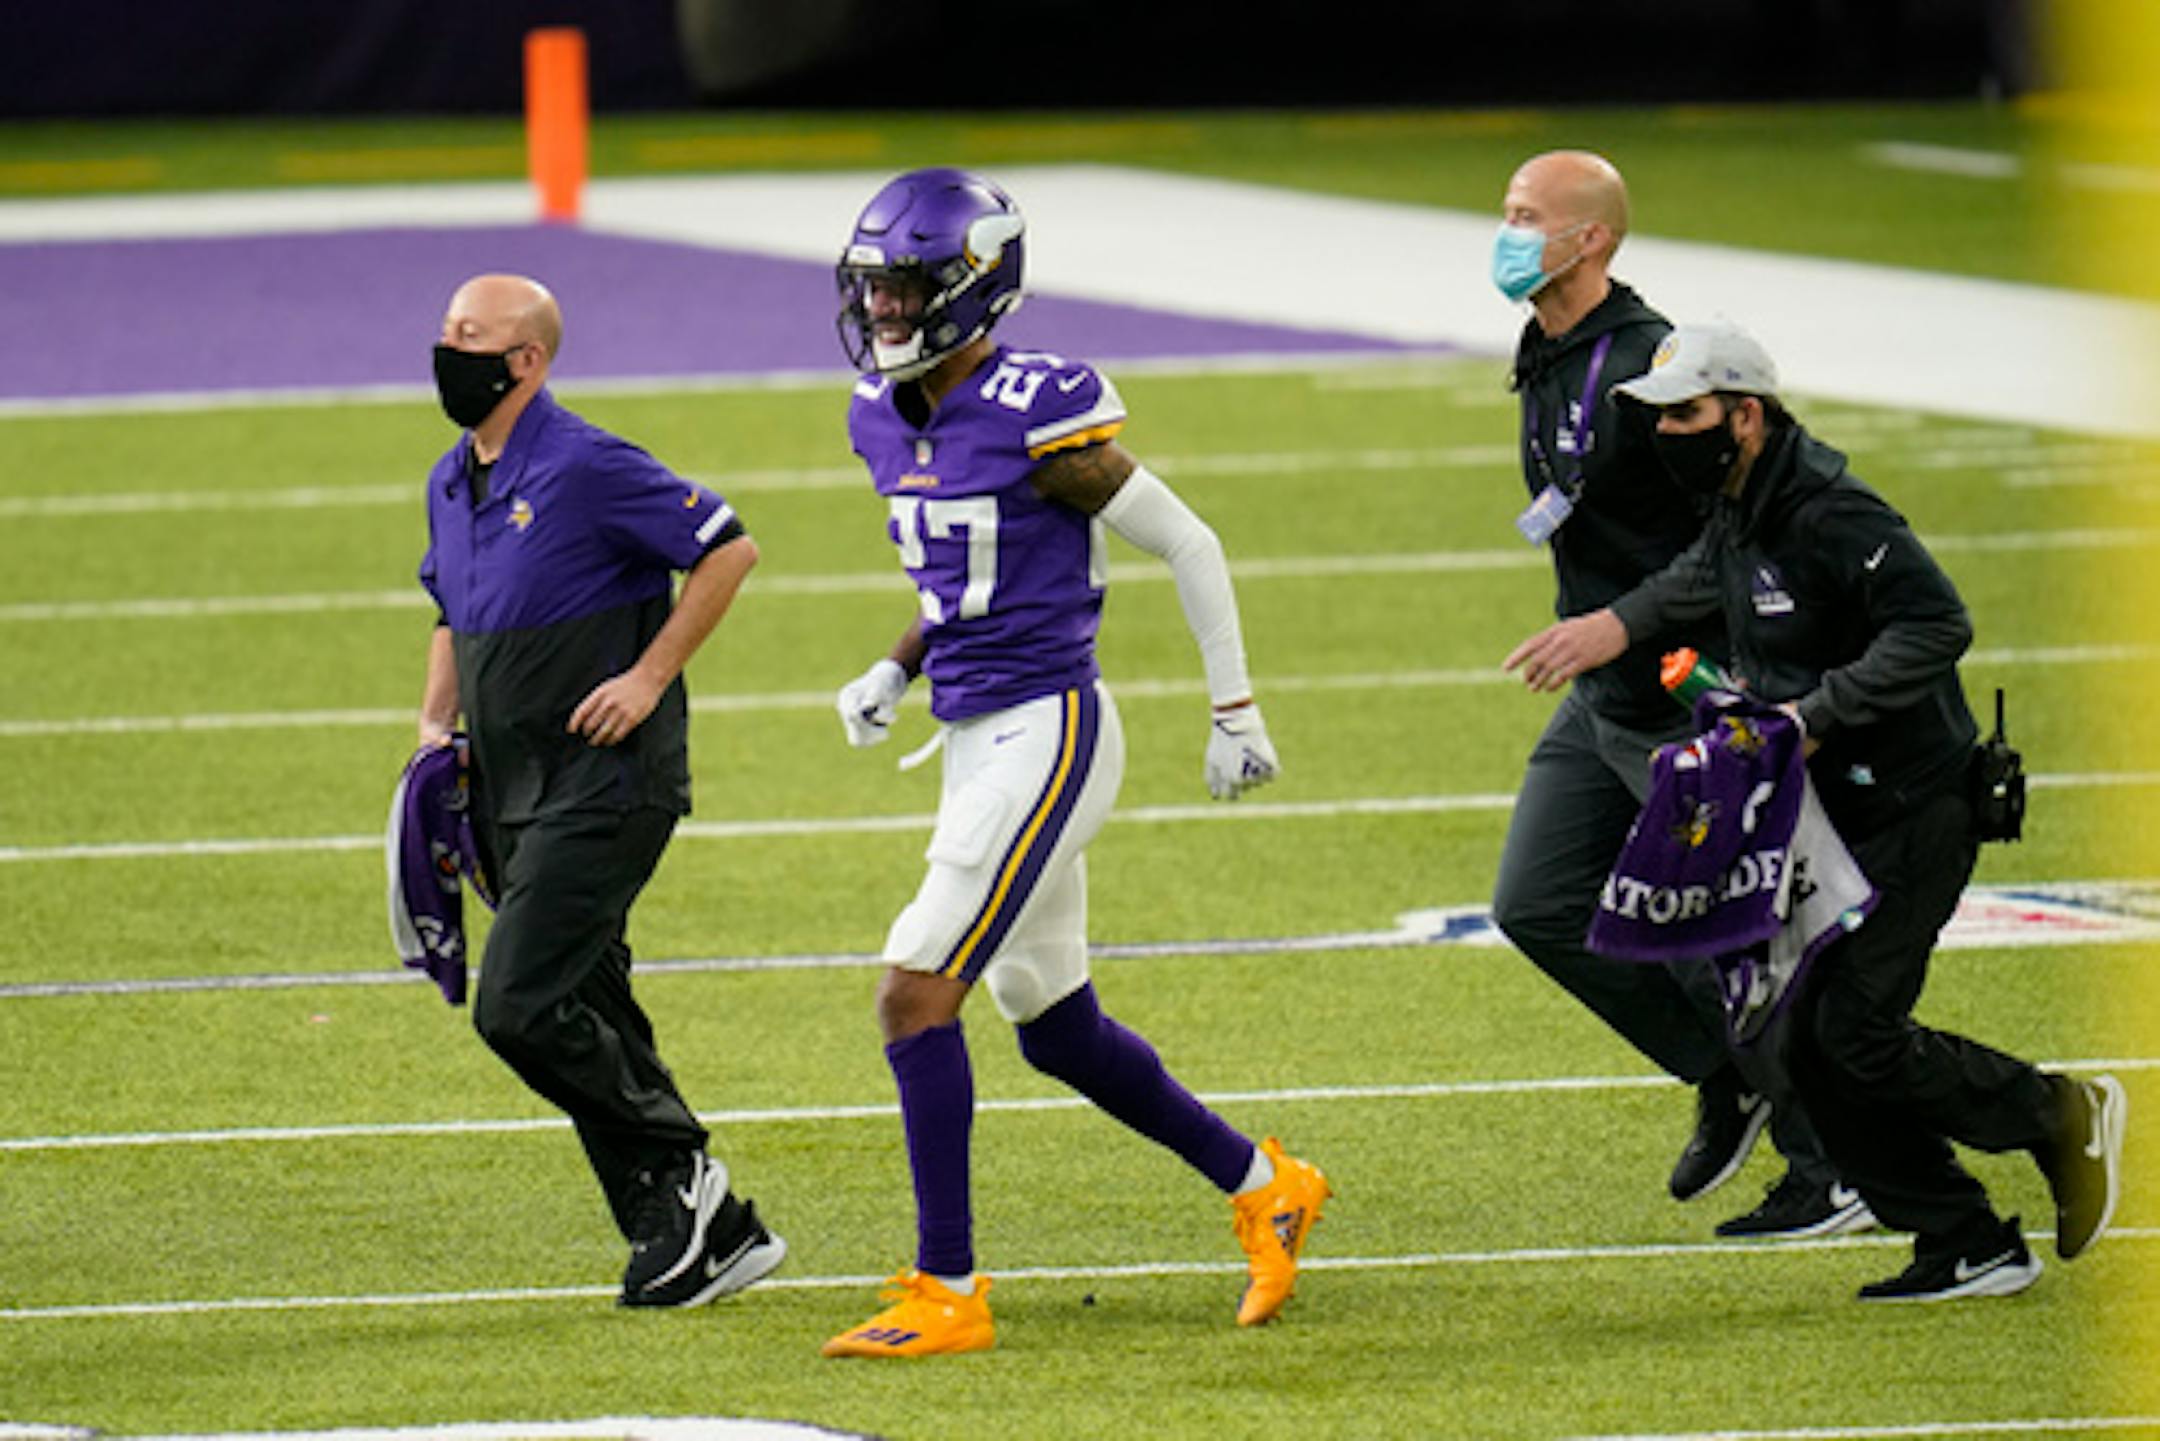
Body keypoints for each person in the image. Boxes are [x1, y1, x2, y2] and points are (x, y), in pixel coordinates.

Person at [817, 168, 1330, 1358]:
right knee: (1048, 1020)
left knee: (912, 989)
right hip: (974, 727)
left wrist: (1235, 708)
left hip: (1051, 727)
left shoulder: (1041, 408)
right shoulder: (875, 411)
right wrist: (896, 667)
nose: (886, 312)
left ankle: (947, 1287)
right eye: (876, 290)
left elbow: (1188, 542)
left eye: (907, 290)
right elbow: (960, 577)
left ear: (975, 287)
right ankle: (1268, 1183)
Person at [1561, 318, 2127, 1300]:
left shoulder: (1831, 509)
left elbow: (1938, 622)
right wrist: (1623, 632)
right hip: (1829, 809)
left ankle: (2059, 1115)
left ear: (1746, 413)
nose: (1667, 434)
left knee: (1852, 1031)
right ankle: (1966, 1239)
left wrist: (1819, 712)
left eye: (1685, 413)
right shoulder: (1742, 500)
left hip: (1917, 802)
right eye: (1658, 417)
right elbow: (1707, 578)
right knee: (1803, 1043)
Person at [1490, 151, 1859, 1237]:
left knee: (1736, 936)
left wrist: (1621, 621)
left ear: (1588, 238)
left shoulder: (1654, 366)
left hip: (1679, 692)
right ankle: (1728, 1075)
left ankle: (1832, 1163)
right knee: (1539, 905)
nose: (1505, 234)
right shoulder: (1546, 348)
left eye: (1524, 216)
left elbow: (1728, 536)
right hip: (1602, 688)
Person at [415, 273, 786, 1308]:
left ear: (525, 360)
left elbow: (727, 546)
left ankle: (683, 1166)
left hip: (606, 782)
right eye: (445, 332)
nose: (448, 350)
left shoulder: (584, 462)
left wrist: (647, 675)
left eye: (469, 336)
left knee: (520, 1004)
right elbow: (449, 608)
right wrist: (432, 730)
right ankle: (695, 1224)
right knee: (585, 994)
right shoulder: (453, 478)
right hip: (508, 786)